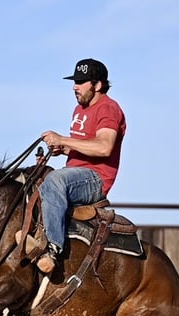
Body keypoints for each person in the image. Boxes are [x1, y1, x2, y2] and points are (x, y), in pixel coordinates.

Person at [35, 58, 127, 273]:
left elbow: (104, 147)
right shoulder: (79, 110)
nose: (74, 87)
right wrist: (63, 149)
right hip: (75, 174)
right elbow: (85, 147)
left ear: (98, 85)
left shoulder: (109, 109)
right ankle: (34, 236)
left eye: (80, 82)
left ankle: (53, 249)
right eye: (74, 82)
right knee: (32, 177)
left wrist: (63, 139)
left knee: (55, 180)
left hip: (95, 179)